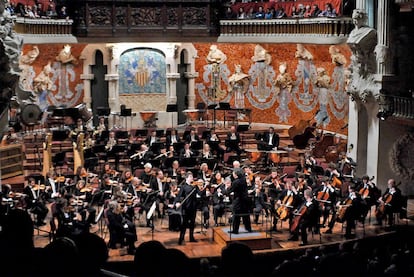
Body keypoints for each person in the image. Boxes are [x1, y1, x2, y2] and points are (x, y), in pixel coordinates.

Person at [174, 172, 198, 245]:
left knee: (192, 223)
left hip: (193, 207)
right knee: (184, 224)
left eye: (192, 177)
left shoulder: (194, 186)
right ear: (187, 178)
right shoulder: (183, 187)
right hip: (186, 207)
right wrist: (177, 202)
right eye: (190, 177)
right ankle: (181, 238)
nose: (192, 178)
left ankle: (191, 237)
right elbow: (178, 196)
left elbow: (199, 193)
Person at [228, 168, 252, 234]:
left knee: (236, 215)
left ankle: (235, 230)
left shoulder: (236, 182)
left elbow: (230, 190)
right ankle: (248, 228)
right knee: (246, 215)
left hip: (238, 201)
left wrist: (226, 190)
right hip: (245, 200)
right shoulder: (244, 180)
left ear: (236, 174)